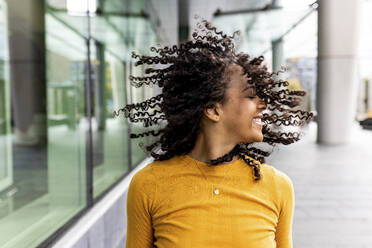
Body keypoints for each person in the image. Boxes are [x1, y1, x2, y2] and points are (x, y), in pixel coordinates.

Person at [116, 17, 314, 248]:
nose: (263, 105)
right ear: (213, 109)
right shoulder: (148, 184)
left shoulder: (277, 186)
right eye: (251, 95)